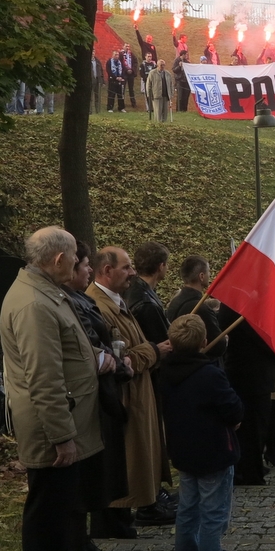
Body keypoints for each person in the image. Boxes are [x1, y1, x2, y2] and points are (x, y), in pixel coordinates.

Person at [0, 227, 111, 550]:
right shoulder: (34, 304)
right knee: (49, 517)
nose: (79, 262)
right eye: (76, 257)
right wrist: (62, 437)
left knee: (66, 512)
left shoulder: (48, 292)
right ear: (60, 259)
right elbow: (43, 378)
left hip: (68, 421)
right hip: (55, 431)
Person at [86, 247, 175, 526]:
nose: (133, 273)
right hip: (124, 397)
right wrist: (153, 351)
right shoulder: (99, 306)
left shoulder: (117, 301)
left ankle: (143, 504)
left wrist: (143, 353)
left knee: (140, 460)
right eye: (126, 268)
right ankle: (125, 515)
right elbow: (119, 360)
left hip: (138, 393)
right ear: (107, 271)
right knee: (126, 464)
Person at [63, 241, 135, 541]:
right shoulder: (72, 302)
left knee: (106, 468)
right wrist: (114, 361)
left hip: (106, 390)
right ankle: (102, 524)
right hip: (91, 395)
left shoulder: (79, 299)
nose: (89, 270)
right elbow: (89, 346)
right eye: (84, 266)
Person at [160, 314, 243, 551]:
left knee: (188, 508)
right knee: (213, 515)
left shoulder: (165, 371)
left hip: (183, 450)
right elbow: (233, 408)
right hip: (214, 451)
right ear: (204, 341)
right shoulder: (210, 374)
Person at [218, 304, 275, 485]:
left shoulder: (236, 305)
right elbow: (261, 340)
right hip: (251, 376)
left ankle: (251, 467)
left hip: (251, 375)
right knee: (252, 427)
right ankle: (249, 471)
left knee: (255, 427)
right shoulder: (238, 307)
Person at [166, 255, 227, 361]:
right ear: (201, 276)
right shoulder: (201, 308)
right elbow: (218, 346)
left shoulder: (175, 301)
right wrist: (225, 340)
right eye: (208, 271)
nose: (210, 275)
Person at [120, 43, 139, 108]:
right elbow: (121, 64)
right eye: (126, 46)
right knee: (123, 89)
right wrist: (126, 70)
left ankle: (133, 103)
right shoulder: (121, 54)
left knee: (131, 89)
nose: (127, 47)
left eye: (128, 46)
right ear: (123, 47)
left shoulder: (131, 54)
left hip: (131, 73)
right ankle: (122, 103)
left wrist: (132, 70)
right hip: (124, 74)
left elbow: (135, 62)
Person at [90, 48, 105, 114]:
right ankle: (90, 111)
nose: (93, 53)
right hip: (90, 81)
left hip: (97, 80)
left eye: (93, 52)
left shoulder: (97, 61)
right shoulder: (88, 62)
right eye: (92, 52)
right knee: (90, 97)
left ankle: (97, 111)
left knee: (97, 96)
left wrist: (102, 81)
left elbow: (101, 72)